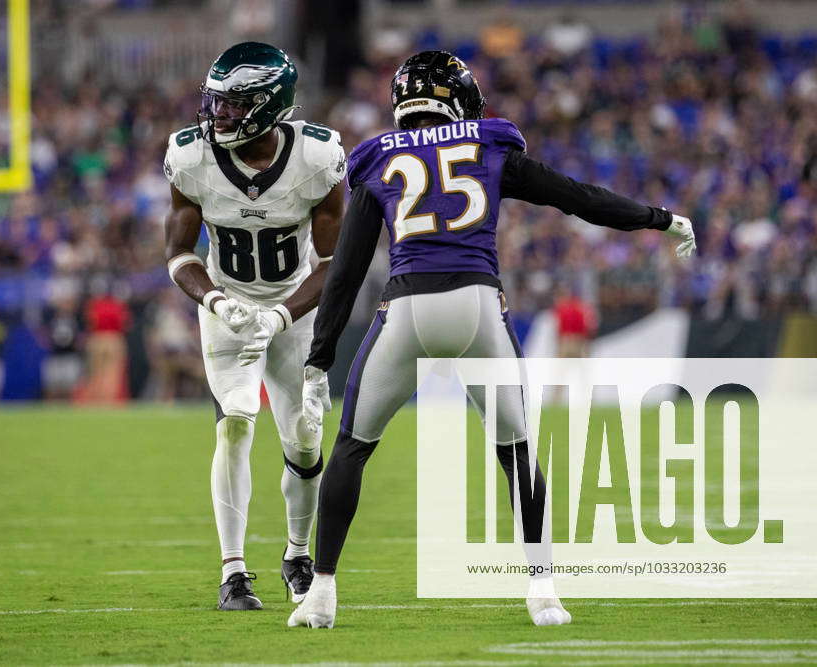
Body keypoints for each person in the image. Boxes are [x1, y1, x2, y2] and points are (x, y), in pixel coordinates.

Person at [289, 51, 697, 629]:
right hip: (479, 308)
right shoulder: (489, 143)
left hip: (405, 309)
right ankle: (543, 590)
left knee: (353, 446)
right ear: (455, 99)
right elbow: (577, 197)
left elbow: (347, 270)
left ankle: (322, 592)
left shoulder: (379, 158)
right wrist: (660, 218)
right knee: (517, 451)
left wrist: (318, 359)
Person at [163, 42, 345, 610]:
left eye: (234, 105)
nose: (219, 115)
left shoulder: (318, 157)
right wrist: (219, 303)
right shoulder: (190, 158)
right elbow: (178, 254)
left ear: (271, 106)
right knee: (236, 420)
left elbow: (336, 266)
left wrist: (281, 314)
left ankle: (296, 554)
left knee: (306, 437)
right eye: (216, 102)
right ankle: (233, 572)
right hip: (229, 307)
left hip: (295, 309)